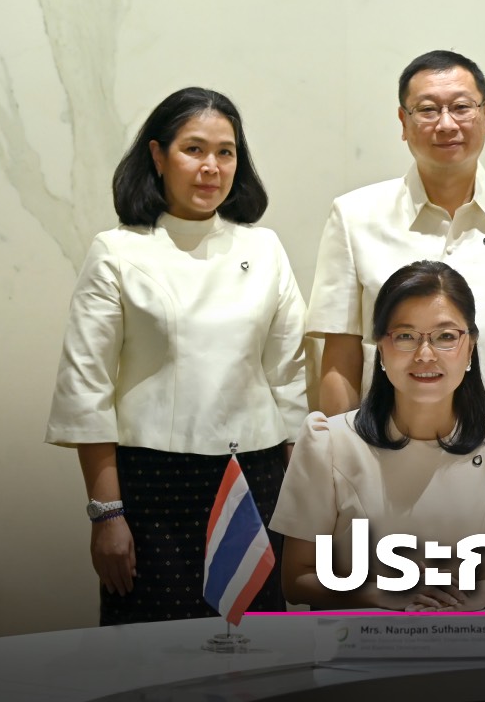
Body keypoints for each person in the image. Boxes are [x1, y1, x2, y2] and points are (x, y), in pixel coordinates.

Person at [45, 87, 307, 625]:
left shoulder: (265, 249)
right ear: (158, 156)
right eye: (194, 149)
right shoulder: (117, 251)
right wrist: (106, 514)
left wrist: (304, 503)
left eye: (225, 152)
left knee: (255, 645)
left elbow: (290, 379)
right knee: (153, 650)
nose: (211, 167)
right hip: (154, 486)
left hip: (255, 479)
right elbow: (87, 390)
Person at [307, 50, 485, 495]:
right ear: (403, 121)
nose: (447, 124)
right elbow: (341, 354)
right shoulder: (354, 216)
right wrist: (340, 467)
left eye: (462, 107)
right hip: (381, 461)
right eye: (428, 109)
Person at [271, 261, 485, 610]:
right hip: (363, 637)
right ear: (381, 348)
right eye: (406, 337)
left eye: (445, 337)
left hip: (478, 633)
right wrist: (384, 594)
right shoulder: (328, 443)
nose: (425, 355)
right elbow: (298, 578)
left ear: (470, 347)